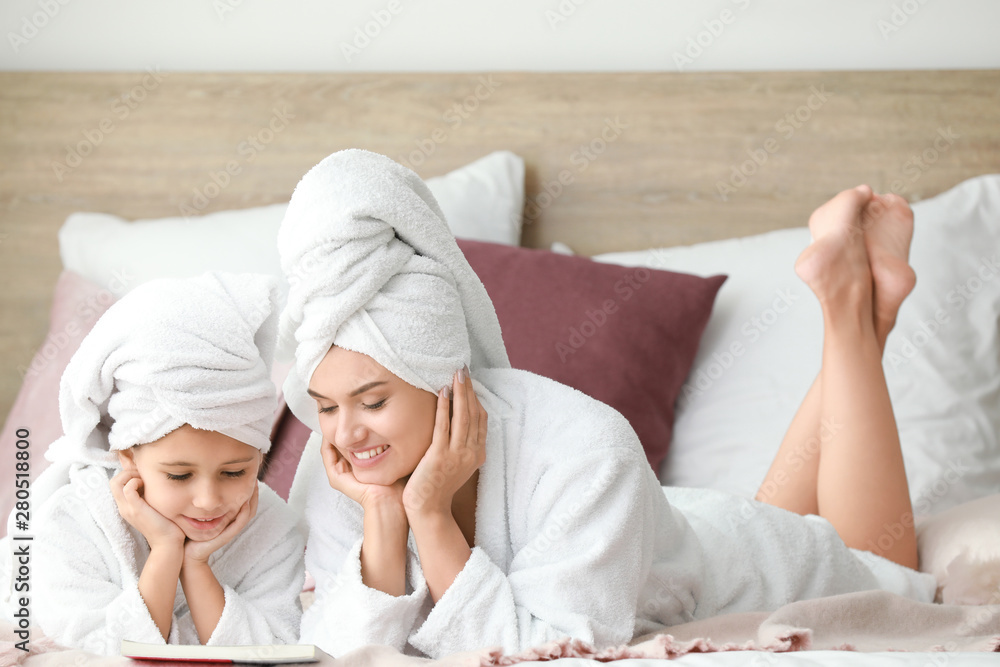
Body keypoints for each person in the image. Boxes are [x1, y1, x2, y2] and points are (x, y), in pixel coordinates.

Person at [278, 150, 936, 659]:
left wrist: (431, 514)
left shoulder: (583, 448)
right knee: (771, 519)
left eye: (371, 400)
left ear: (445, 377)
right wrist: (387, 522)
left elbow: (545, 657)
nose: (345, 433)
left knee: (891, 571)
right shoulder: (340, 469)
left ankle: (850, 306)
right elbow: (330, 650)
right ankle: (859, 295)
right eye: (326, 405)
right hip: (681, 536)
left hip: (756, 567)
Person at [1, 272, 305, 655]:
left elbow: (276, 651)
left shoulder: (272, 526)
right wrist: (165, 550)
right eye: (179, 475)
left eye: (235, 472)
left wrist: (196, 566)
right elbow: (105, 653)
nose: (209, 500)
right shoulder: (69, 523)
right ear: (127, 454)